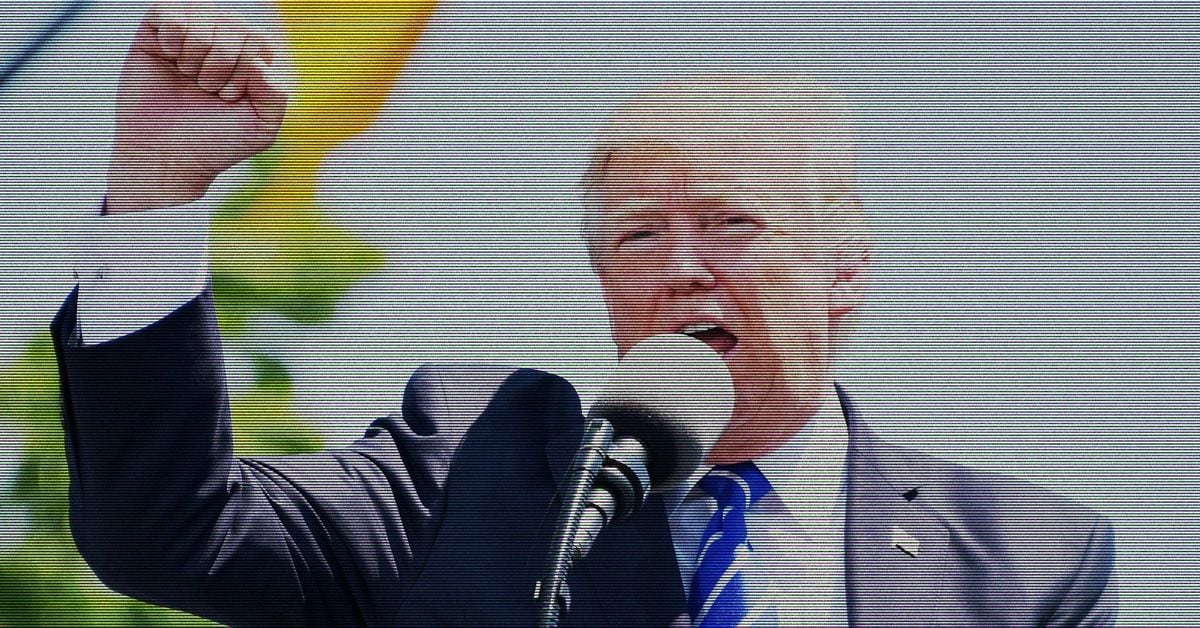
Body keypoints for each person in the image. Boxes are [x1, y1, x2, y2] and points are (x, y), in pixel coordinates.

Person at [51, 4, 1117, 627]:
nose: (683, 269)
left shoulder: (1030, 559)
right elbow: (168, 530)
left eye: (731, 223)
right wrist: (158, 187)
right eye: (639, 237)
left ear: (845, 269)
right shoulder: (468, 466)